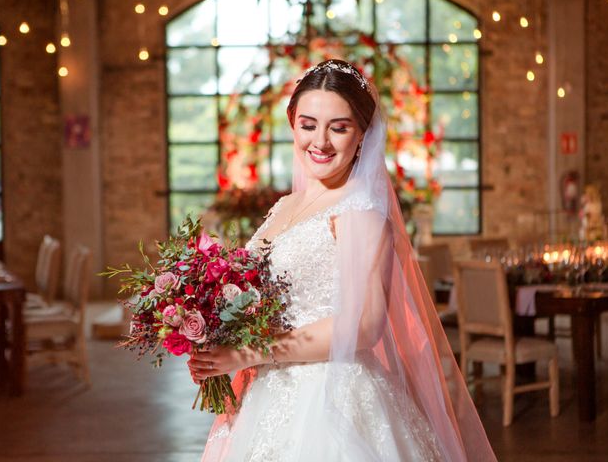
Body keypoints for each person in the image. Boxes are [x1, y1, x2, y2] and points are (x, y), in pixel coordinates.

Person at [188, 59, 496, 461]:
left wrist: (247, 353)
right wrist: (213, 334)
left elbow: (363, 326)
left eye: (339, 127)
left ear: (362, 135)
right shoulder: (285, 206)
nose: (321, 142)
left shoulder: (360, 210)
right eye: (308, 124)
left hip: (330, 399)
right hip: (262, 393)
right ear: (292, 122)